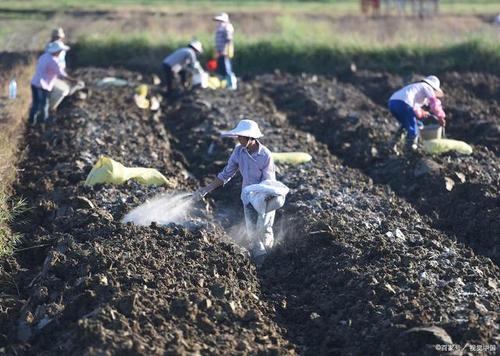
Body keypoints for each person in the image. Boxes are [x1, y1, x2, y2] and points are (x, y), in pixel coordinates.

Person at [194, 119, 277, 264]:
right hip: (248, 197)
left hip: (266, 197)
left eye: (241, 136)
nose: (238, 139)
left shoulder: (265, 155)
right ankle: (260, 260)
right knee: (252, 231)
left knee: (264, 228)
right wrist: (206, 189)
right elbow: (227, 173)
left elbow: (269, 182)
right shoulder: (239, 151)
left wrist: (263, 198)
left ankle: (271, 259)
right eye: (238, 135)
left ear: (251, 138)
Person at [388, 75, 446, 153]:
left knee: (413, 124)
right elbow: (434, 103)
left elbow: (414, 109)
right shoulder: (427, 87)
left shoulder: (416, 88)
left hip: (392, 102)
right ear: (433, 87)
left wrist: (423, 113)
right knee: (413, 128)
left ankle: (393, 144)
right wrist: (440, 117)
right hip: (403, 103)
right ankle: (410, 150)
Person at [30, 41, 78, 125]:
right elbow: (61, 73)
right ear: (57, 51)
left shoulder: (44, 56)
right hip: (43, 85)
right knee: (44, 104)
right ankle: (43, 122)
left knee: (35, 104)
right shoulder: (54, 61)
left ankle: (32, 121)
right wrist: (72, 80)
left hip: (35, 82)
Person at [213, 12, 236, 90]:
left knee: (227, 68)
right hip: (220, 52)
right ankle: (225, 84)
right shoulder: (220, 28)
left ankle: (231, 85)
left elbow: (228, 40)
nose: (218, 22)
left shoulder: (227, 27)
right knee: (222, 68)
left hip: (225, 51)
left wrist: (225, 50)